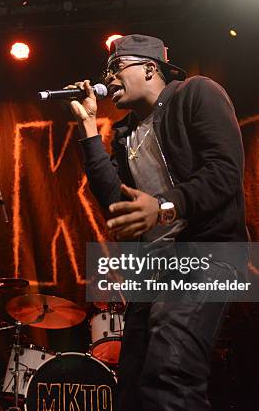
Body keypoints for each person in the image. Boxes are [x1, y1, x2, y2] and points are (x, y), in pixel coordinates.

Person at [68, 34, 247, 410]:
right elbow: (116, 203)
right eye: (107, 71)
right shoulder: (125, 133)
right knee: (132, 387)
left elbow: (224, 173)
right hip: (156, 269)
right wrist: (87, 128)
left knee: (170, 373)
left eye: (117, 68)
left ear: (150, 68)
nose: (109, 78)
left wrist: (165, 207)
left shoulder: (197, 93)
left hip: (206, 255)